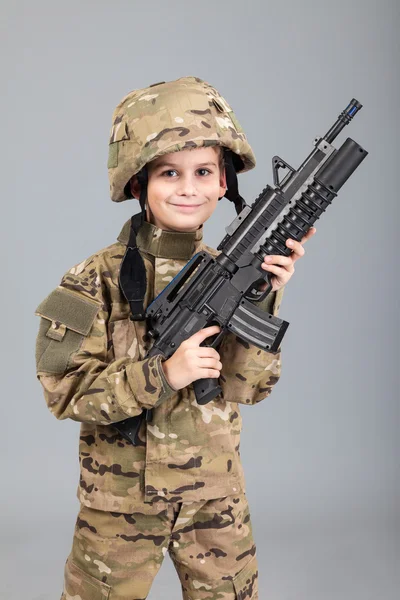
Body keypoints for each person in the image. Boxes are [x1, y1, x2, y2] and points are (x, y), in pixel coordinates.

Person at [35, 76, 315, 600]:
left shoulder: (228, 271)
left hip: (215, 500)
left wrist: (264, 295)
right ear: (137, 183)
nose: (189, 188)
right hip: (118, 508)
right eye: (169, 173)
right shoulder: (93, 280)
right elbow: (65, 392)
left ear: (224, 183)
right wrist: (162, 375)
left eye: (204, 172)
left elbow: (248, 388)